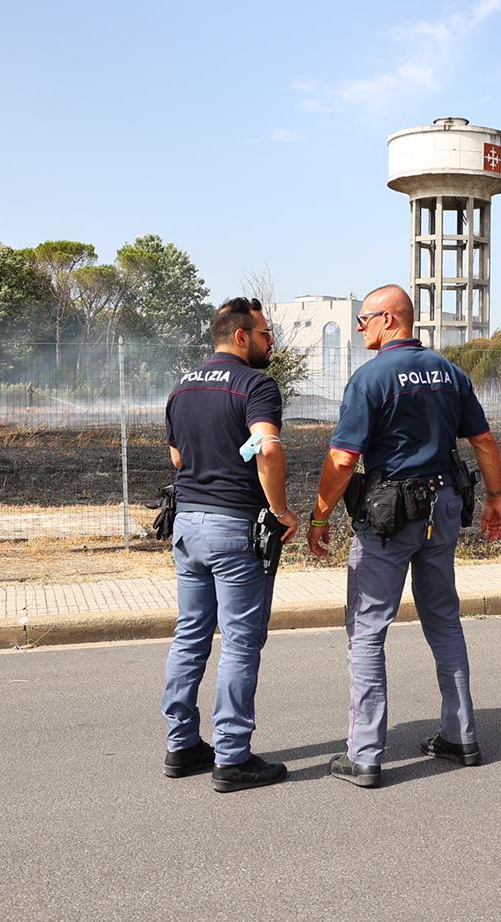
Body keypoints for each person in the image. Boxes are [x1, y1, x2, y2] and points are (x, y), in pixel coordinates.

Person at [308, 284, 501, 788]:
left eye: (364, 319)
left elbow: (342, 459)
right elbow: (483, 439)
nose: (359, 328)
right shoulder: (448, 371)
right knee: (444, 619)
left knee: (367, 628)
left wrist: (319, 515)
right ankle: (460, 735)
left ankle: (366, 754)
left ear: (390, 320)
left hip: (390, 515)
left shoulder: (370, 378)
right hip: (443, 509)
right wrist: (496, 497)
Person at [161, 297, 300, 793]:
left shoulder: (182, 387)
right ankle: (232, 756)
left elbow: (178, 457)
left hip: (187, 526)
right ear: (241, 336)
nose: (271, 342)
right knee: (241, 641)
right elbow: (267, 446)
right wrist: (281, 509)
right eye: (265, 334)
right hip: (233, 527)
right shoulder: (256, 384)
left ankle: (181, 745)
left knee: (191, 634)